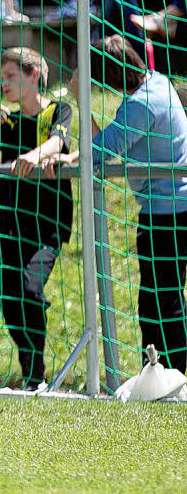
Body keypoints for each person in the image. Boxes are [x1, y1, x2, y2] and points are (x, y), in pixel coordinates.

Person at [44, 36, 187, 372]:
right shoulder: (158, 84)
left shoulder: (139, 105)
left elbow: (101, 152)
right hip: (173, 210)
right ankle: (161, 373)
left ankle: (171, 377)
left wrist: (80, 101)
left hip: (167, 216)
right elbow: (105, 145)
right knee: (162, 298)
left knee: (160, 301)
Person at [0, 47, 73, 386]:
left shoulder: (58, 110)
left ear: (33, 76)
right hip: (9, 223)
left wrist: (32, 156)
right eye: (1, 80)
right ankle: (30, 376)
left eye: (11, 77)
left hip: (47, 225)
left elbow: (57, 144)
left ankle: (37, 372)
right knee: (9, 301)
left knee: (28, 289)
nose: (5, 86)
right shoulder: (7, 122)